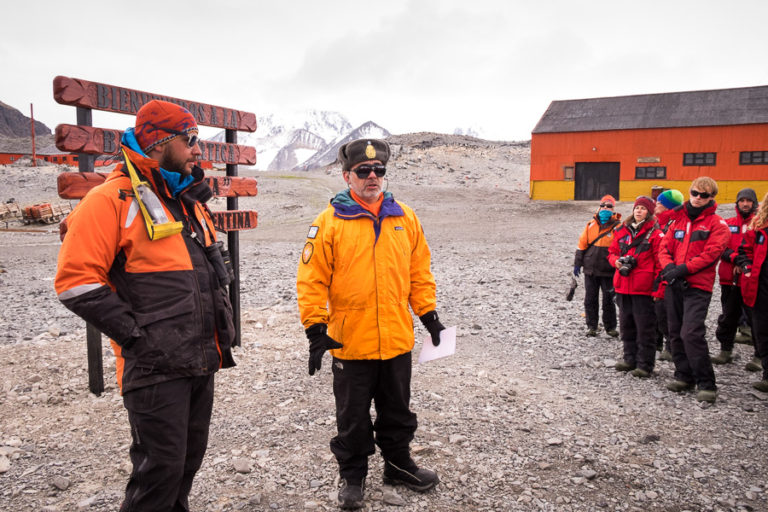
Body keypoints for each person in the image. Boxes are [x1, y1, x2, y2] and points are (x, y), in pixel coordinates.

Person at [55, 100, 236, 511]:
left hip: (199, 359)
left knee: (185, 466)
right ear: (159, 143)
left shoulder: (187, 199)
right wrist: (138, 339)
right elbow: (75, 281)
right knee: (158, 475)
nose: (197, 149)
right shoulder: (110, 199)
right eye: (190, 140)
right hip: (153, 367)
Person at [296, 138, 442, 510]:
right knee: (352, 415)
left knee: (397, 410)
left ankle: (398, 465)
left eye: (379, 170)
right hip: (350, 342)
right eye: (364, 170)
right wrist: (315, 329)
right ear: (347, 176)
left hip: (396, 339)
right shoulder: (328, 223)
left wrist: (429, 316)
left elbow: (419, 272)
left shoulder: (405, 217)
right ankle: (352, 476)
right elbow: (312, 280)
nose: (372, 176)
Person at [658, 177, 730, 403]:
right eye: (695, 193)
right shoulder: (677, 221)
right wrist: (668, 267)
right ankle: (684, 375)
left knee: (691, 333)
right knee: (675, 331)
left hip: (698, 286)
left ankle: (706, 383)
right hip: (674, 283)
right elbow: (664, 247)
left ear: (712, 197)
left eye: (704, 195)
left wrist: (683, 269)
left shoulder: (717, 224)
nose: (698, 198)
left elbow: (712, 253)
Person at [609, 196, 665, 378]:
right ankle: (629, 359)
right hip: (623, 285)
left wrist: (658, 288)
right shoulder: (622, 230)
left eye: (643, 208)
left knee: (645, 327)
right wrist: (615, 261)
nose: (638, 211)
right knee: (626, 325)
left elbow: (660, 263)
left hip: (643, 288)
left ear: (649, 212)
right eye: (637, 208)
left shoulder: (656, 234)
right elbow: (612, 252)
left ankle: (645, 364)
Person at [711, 188, 758, 366]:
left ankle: (759, 356)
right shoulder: (727, 223)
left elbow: (760, 251)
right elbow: (719, 247)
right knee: (728, 317)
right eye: (742, 201)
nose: (745, 204)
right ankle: (726, 351)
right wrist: (736, 259)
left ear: (754, 203)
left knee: (756, 318)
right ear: (737, 203)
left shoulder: (759, 224)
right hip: (729, 279)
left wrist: (745, 263)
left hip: (751, 279)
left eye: (748, 201)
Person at [574, 195, 622, 337]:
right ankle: (591, 326)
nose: (605, 208)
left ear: (613, 209)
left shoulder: (619, 227)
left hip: (609, 270)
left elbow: (622, 248)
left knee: (609, 300)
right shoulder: (590, 225)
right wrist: (577, 264)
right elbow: (582, 245)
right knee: (590, 299)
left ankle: (610, 327)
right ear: (599, 207)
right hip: (591, 269)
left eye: (609, 206)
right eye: (603, 205)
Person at [737, 191, 768, 392]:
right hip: (760, 285)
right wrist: (747, 267)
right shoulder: (758, 225)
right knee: (762, 330)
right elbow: (745, 250)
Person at [652, 189, 684, 361]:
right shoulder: (658, 222)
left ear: (668, 206)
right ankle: (657, 342)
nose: (656, 205)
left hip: (669, 271)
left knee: (666, 312)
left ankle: (671, 345)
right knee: (656, 310)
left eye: (659, 203)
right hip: (656, 271)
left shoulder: (675, 224)